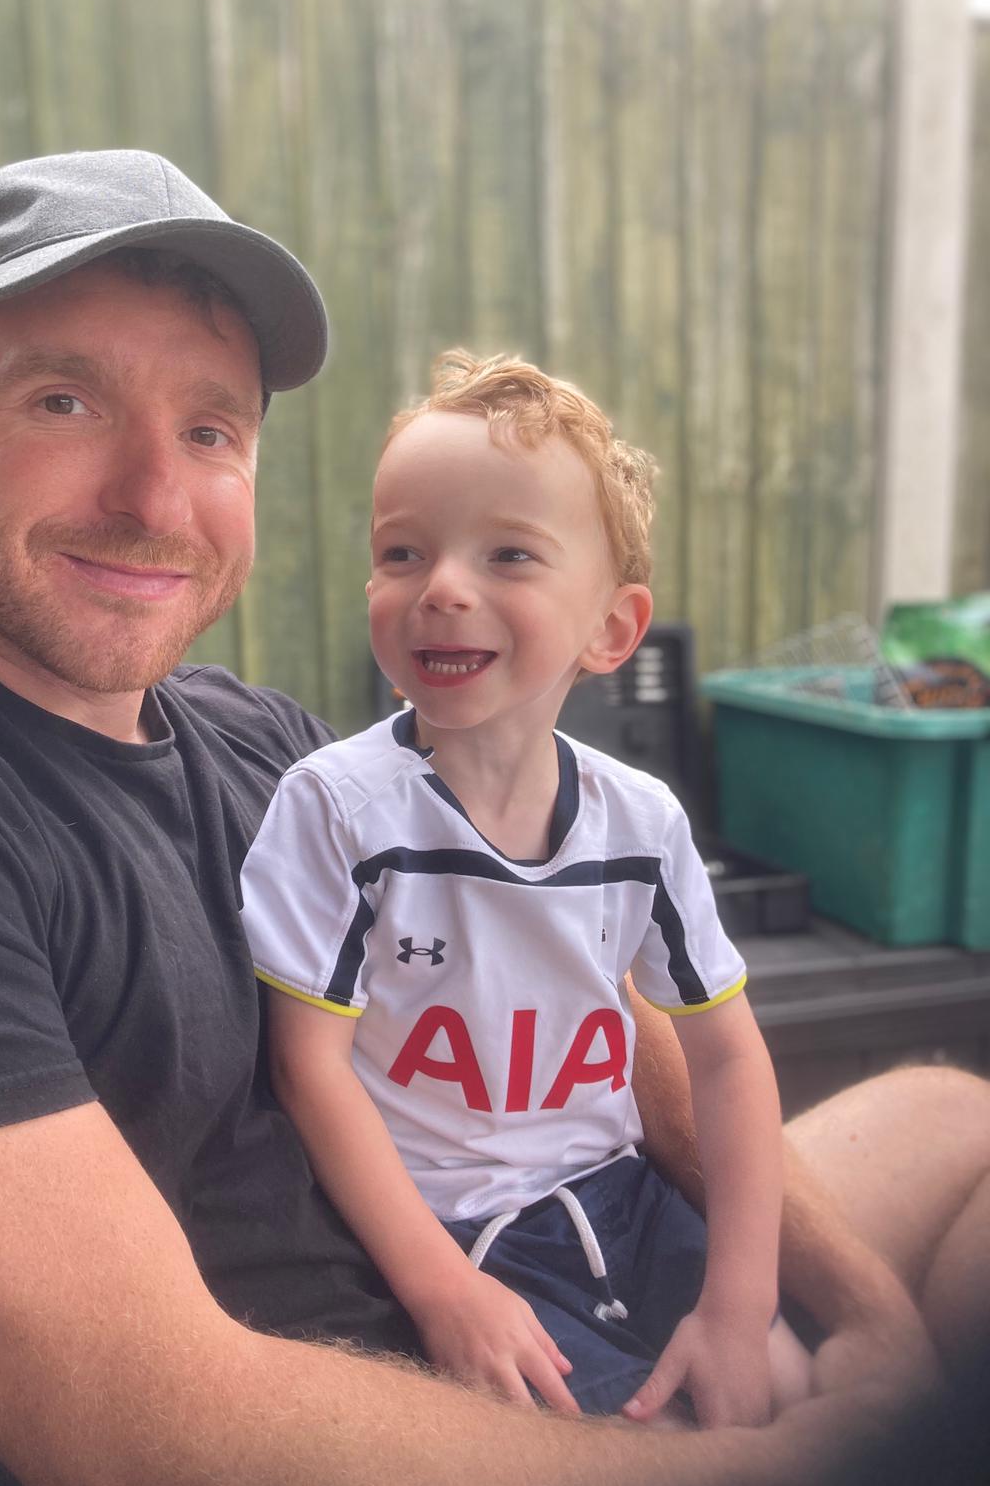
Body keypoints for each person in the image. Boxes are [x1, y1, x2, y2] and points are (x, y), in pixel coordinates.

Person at [0, 148, 983, 1486]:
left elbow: (610, 1017)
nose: (154, 497)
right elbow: (163, 1456)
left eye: (210, 429)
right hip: (382, 1441)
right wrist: (792, 1472)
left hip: (533, 1260)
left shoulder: (271, 747)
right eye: (65, 400)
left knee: (955, 1121)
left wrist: (867, 1324)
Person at [239, 350, 812, 1425]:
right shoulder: (338, 809)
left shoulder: (641, 824)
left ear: (612, 629)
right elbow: (305, 1065)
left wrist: (740, 1303)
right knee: (639, 1460)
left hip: (628, 1201)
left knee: (789, 1390)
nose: (443, 586)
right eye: (402, 552)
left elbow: (729, 1055)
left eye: (509, 554)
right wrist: (442, 1289)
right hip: (455, 1234)